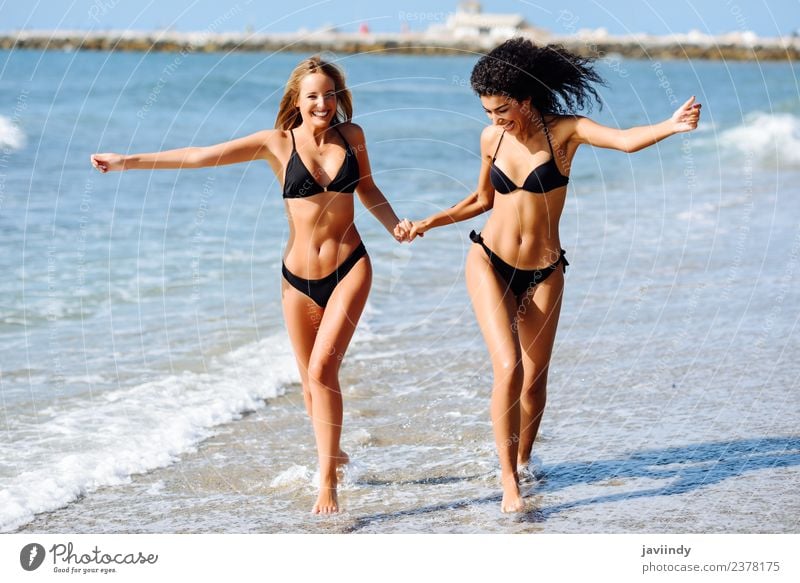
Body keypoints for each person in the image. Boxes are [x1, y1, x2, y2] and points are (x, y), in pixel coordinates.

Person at [91, 56, 410, 514]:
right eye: (313, 96)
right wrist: (127, 162)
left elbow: (369, 189)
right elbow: (201, 156)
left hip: (350, 266)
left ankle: (327, 484)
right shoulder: (276, 144)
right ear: (296, 101)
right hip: (296, 279)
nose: (323, 103)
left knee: (323, 371)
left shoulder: (352, 137)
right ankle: (334, 454)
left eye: (330, 94)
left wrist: (395, 225)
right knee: (307, 383)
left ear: (339, 97)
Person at [402, 38, 701, 512]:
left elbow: (624, 141)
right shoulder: (491, 138)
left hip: (544, 269)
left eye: (501, 109)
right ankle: (508, 483)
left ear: (524, 99)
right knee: (509, 367)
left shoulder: (566, 132)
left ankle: (522, 461)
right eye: (486, 111)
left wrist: (670, 125)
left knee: (536, 377)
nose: (494, 119)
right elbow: (481, 200)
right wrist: (427, 222)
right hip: (489, 261)